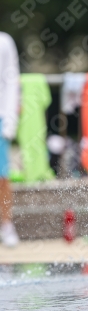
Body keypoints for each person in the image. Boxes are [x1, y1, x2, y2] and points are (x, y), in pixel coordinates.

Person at [0, 32, 20, 247]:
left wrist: (9, 120)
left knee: (2, 176)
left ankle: (6, 225)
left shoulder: (4, 41)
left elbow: (11, 81)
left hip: (0, 117)